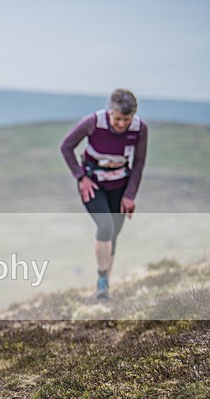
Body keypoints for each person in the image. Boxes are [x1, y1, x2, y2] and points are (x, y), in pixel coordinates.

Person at [60, 89, 148, 300]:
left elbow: (138, 163)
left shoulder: (140, 128)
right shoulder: (92, 122)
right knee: (105, 226)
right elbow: (66, 146)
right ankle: (101, 280)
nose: (121, 124)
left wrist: (130, 195)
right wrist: (81, 177)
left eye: (126, 119)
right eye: (117, 119)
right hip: (93, 184)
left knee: (114, 233)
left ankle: (104, 289)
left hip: (120, 185)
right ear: (110, 111)